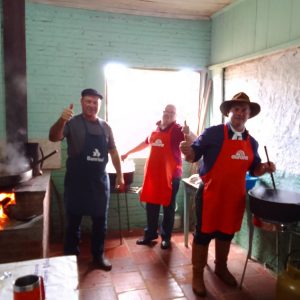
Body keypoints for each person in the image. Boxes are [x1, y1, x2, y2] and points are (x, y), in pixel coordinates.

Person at [180, 92, 276, 297]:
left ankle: (221, 267)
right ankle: (197, 274)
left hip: (235, 198)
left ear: (249, 115)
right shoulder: (213, 133)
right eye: (237, 109)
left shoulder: (252, 143)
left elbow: (254, 169)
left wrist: (265, 168)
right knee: (203, 234)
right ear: (229, 112)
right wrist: (187, 151)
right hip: (210, 195)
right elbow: (193, 154)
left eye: (245, 110)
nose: (241, 113)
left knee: (226, 233)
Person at [49, 88, 124, 271]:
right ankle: (70, 258)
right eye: (88, 101)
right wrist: (62, 119)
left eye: (95, 102)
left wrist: (120, 174)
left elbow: (113, 151)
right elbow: (53, 137)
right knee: (73, 222)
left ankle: (98, 256)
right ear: (82, 102)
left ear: (99, 105)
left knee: (100, 223)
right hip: (76, 182)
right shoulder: (72, 123)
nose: (92, 105)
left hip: (98, 183)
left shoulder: (105, 126)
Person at [121, 104, 196, 249]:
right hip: (153, 176)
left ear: (175, 116)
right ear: (162, 113)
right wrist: (128, 153)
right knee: (151, 206)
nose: (168, 114)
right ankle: (150, 234)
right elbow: (145, 143)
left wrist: (189, 132)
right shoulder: (155, 129)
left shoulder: (178, 130)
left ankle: (166, 237)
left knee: (168, 207)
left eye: (171, 112)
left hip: (171, 177)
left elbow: (195, 141)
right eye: (166, 111)